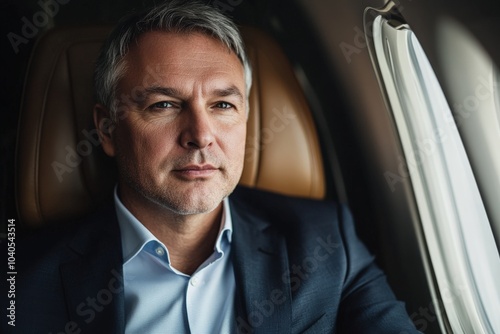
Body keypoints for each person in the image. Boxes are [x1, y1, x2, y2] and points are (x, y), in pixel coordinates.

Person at [3, 1, 419, 333]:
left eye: (222, 105)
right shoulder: (19, 280)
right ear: (107, 129)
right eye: (164, 105)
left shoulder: (327, 242)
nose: (201, 135)